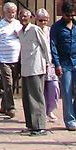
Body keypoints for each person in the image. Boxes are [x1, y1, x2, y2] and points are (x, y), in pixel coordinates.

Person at [50, 0, 76, 131]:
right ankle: (70, 120)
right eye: (68, 15)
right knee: (66, 92)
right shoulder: (56, 27)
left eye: (72, 15)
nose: (70, 18)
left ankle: (75, 115)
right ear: (63, 14)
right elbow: (53, 46)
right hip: (64, 63)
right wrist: (57, 64)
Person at [18, 8, 49, 136]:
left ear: (30, 17)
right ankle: (31, 125)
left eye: (26, 16)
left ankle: (40, 126)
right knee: (27, 98)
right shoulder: (20, 32)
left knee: (36, 97)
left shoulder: (35, 30)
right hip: (25, 68)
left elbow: (45, 46)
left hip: (36, 67)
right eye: (21, 16)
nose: (23, 18)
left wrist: (48, 63)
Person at [0, 2, 21, 118]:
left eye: (13, 12)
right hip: (3, 60)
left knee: (13, 84)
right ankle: (10, 107)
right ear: (4, 12)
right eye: (9, 12)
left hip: (16, 59)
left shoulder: (18, 24)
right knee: (8, 83)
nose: (11, 15)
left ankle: (4, 105)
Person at [35, 9, 60, 123]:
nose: (43, 22)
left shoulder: (51, 31)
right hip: (37, 62)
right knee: (40, 89)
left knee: (54, 87)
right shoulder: (33, 30)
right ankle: (42, 111)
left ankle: (50, 109)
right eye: (41, 20)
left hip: (50, 62)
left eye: (45, 20)